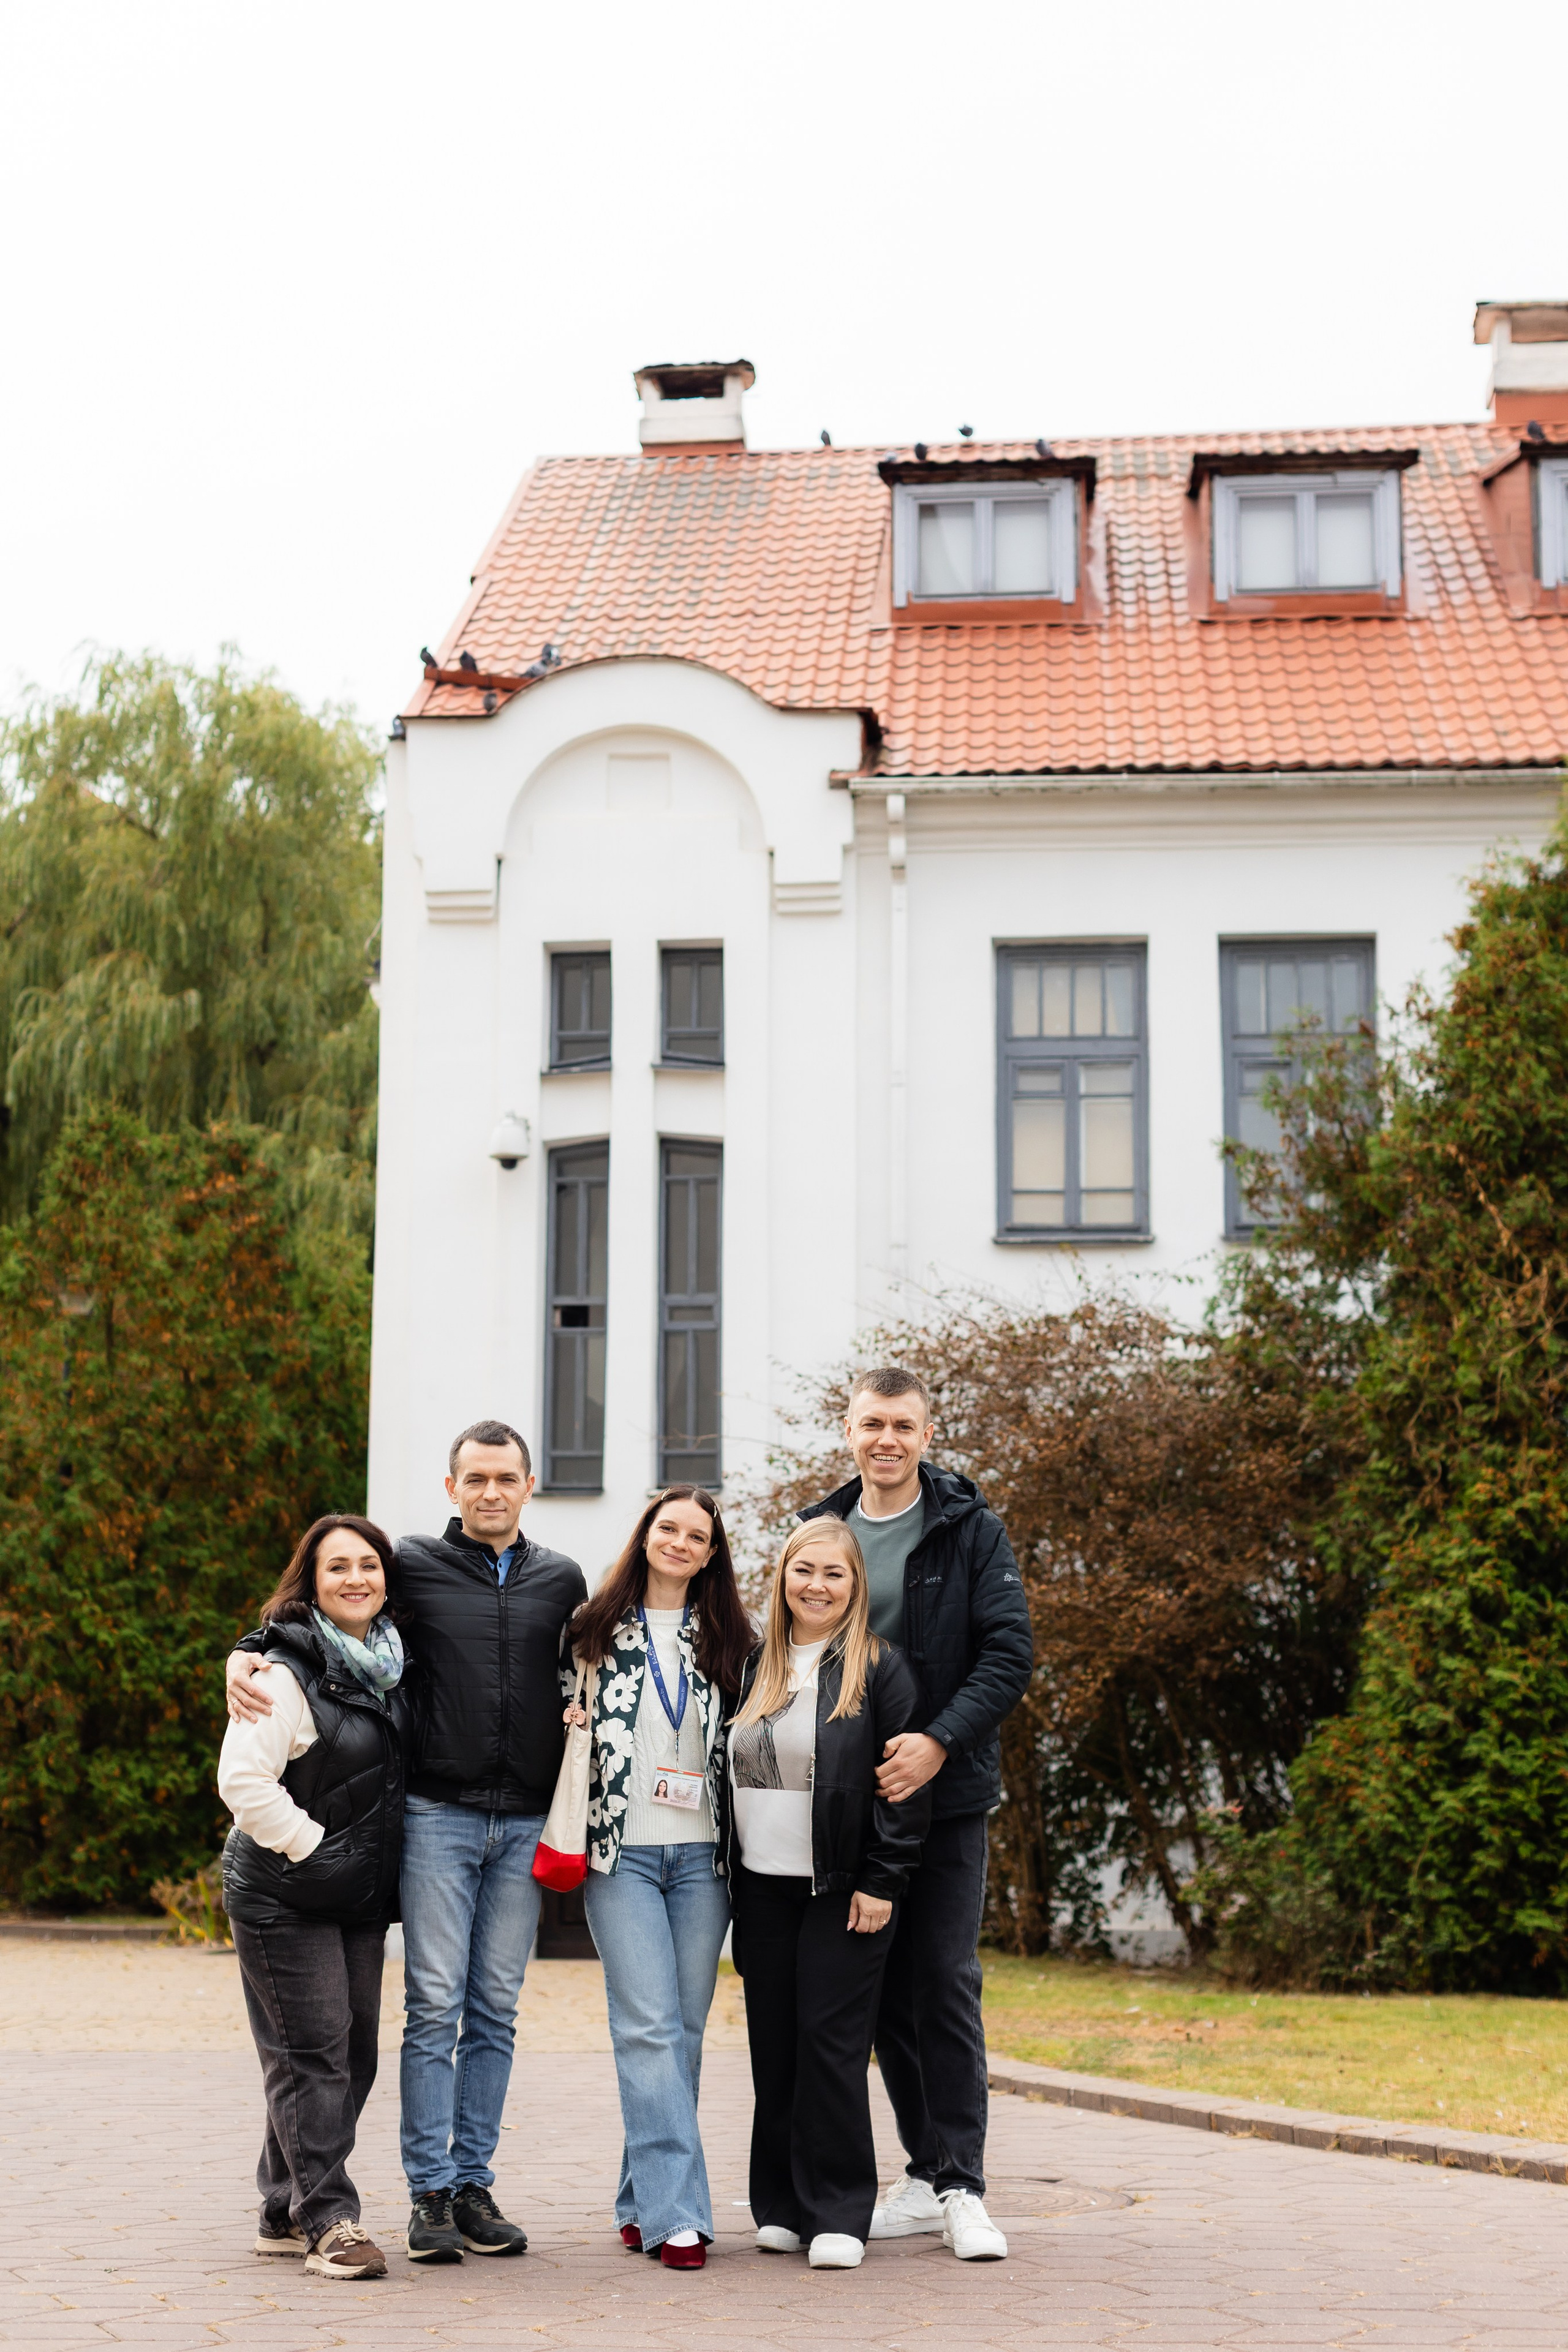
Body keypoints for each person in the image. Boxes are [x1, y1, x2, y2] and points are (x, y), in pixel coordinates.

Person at [225, 1420, 586, 2264]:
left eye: (507, 1477)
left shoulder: (562, 1579)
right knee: (432, 2011)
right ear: (452, 1488)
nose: (492, 1491)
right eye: (476, 1478)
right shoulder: (412, 1567)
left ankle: (470, 2184)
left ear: (529, 1486)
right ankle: (426, 2193)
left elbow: (589, 1665)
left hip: (524, 1821)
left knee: (494, 2011)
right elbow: (308, 1621)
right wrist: (240, 1656)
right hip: (437, 1815)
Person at [800, 1366, 1033, 2263]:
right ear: (849, 1431)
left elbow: (1009, 1654)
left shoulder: (971, 1530)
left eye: (902, 1425)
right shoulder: (822, 1531)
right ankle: (924, 2170)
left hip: (948, 1798)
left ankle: (965, 2186)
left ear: (926, 1435)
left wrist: (937, 1741)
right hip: (851, 1808)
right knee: (884, 1997)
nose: (885, 1439)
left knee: (941, 1983)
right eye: (870, 1424)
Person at [725, 1516, 929, 2271]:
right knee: (773, 2048)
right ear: (782, 1577)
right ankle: (779, 2205)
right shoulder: (753, 1666)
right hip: (760, 1888)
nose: (816, 1586)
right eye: (803, 1571)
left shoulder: (882, 1669)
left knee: (831, 2049)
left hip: (843, 1890)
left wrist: (884, 1880)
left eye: (833, 1574)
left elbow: (905, 1789)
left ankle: (840, 2211)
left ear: (855, 1585)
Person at [219, 1513, 418, 2282]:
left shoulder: (391, 1666)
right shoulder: (280, 1672)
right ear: (312, 1582)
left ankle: (281, 2204)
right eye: (337, 1568)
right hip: (282, 1895)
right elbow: (241, 1783)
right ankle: (329, 2221)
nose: (356, 1579)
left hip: (354, 1897)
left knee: (351, 2055)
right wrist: (316, 1850)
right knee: (313, 2054)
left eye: (368, 1565)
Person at [562, 1485, 753, 2270]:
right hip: (622, 1857)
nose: (679, 1542)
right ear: (644, 1537)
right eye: (666, 1528)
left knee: (681, 2036)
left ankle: (641, 2198)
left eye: (696, 1535)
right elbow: (550, 1712)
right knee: (646, 2029)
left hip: (704, 1858)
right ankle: (681, 2216)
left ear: (711, 1554)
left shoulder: (735, 1638)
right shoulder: (590, 1628)